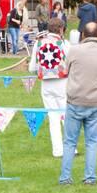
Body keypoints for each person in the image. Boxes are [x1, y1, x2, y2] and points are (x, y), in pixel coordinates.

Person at [59, 22, 97, 185]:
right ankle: (89, 177)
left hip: (75, 100)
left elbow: (65, 70)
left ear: (83, 35)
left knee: (69, 142)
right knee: (92, 142)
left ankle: (65, 178)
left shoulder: (74, 50)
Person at [31, 21, 70, 157]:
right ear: (60, 29)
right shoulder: (64, 43)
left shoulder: (39, 43)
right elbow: (71, 62)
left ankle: (57, 150)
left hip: (46, 84)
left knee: (53, 117)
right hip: (62, 81)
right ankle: (71, 148)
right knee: (66, 116)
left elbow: (32, 68)